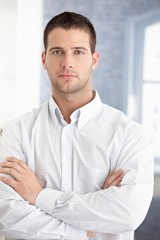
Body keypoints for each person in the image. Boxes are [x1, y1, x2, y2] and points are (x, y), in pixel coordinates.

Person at [0, 11, 154, 240]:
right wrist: (90, 228)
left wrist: (40, 196)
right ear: (44, 59)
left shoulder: (131, 135)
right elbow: (7, 216)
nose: (67, 63)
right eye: (57, 51)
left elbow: (128, 214)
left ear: (94, 59)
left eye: (78, 52)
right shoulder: (16, 132)